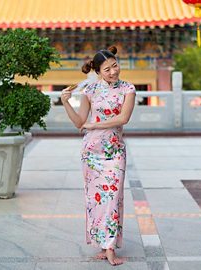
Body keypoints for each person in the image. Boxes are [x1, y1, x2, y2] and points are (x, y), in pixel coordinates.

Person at [60, 46, 136, 266]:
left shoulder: (128, 89)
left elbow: (123, 118)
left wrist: (94, 124)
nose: (113, 71)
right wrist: (66, 102)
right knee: (96, 201)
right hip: (91, 153)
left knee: (113, 198)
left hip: (114, 152)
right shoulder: (90, 90)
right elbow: (79, 123)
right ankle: (102, 245)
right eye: (107, 69)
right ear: (98, 71)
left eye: (115, 65)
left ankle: (111, 247)